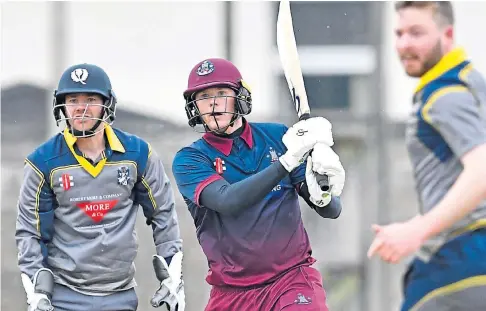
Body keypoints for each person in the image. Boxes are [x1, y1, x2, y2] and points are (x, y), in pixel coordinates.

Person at [172, 58, 346, 310]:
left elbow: (330, 211)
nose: (212, 104)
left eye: (221, 93)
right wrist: (286, 162)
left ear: (240, 97)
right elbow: (228, 201)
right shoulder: (190, 159)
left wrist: (325, 190)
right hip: (231, 293)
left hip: (291, 280)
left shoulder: (278, 137)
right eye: (204, 96)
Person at [15, 63, 185, 311]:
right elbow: (30, 232)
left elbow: (163, 214)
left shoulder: (138, 154)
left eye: (91, 99)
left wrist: (172, 279)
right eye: (73, 99)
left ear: (108, 104)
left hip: (121, 295)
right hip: (63, 297)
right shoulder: (42, 162)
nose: (81, 108)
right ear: (62, 106)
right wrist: (37, 294)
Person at [367, 2, 486, 310]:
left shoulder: (445, 96)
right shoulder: (474, 85)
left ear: (448, 35)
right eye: (399, 33)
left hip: (462, 258)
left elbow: (482, 170)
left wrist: (417, 230)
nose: (404, 44)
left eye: (417, 33)